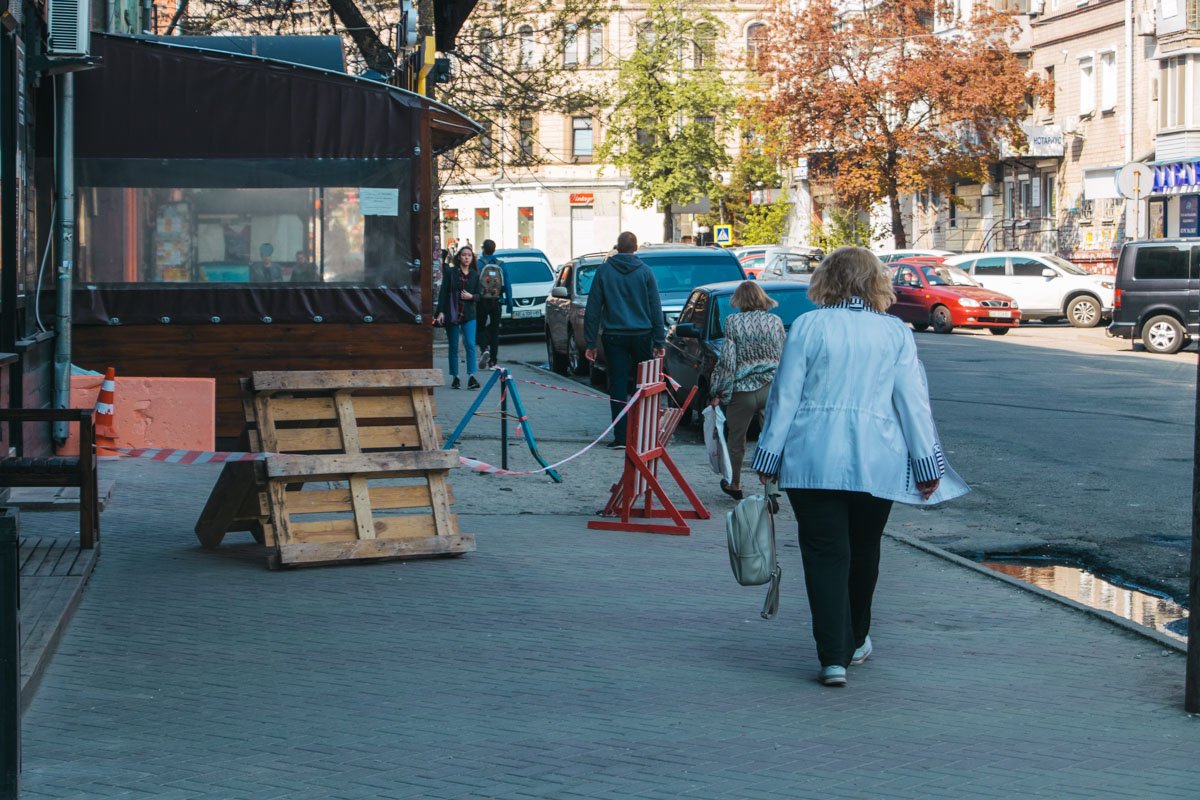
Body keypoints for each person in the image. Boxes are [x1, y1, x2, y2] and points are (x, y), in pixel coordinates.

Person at [752, 246, 968, 688]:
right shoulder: (895, 333)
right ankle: (856, 639)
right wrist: (928, 465)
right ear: (877, 283)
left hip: (811, 458)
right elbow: (913, 403)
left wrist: (768, 456)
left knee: (824, 554)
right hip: (878, 461)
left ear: (825, 281)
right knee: (864, 551)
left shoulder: (809, 326)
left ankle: (834, 657)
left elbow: (784, 397)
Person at [583, 231, 665, 449]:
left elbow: (593, 308)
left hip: (614, 335)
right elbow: (655, 308)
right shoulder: (646, 272)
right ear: (635, 248)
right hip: (642, 335)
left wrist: (590, 343)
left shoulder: (604, 271)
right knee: (643, 385)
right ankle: (642, 436)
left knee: (617, 384)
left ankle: (621, 437)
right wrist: (659, 341)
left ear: (617, 248)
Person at [708, 281, 785, 501]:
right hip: (771, 386)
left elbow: (728, 361)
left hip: (742, 390)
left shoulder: (732, 322)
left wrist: (718, 391)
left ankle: (735, 484)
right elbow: (782, 355)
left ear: (739, 300)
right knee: (772, 435)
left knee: (736, 439)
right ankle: (772, 486)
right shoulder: (775, 321)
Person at [435, 246, 482, 390]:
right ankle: (455, 377)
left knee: (470, 344)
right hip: (452, 313)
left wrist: (471, 296)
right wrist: (440, 312)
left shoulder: (475, 274)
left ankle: (472, 377)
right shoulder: (451, 272)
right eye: (464, 255)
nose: (467, 257)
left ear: (472, 258)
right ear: (459, 257)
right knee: (454, 347)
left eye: (469, 255)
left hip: (469, 314)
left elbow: (480, 295)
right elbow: (443, 292)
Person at [475, 240, 513, 370]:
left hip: (481, 301)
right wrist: (509, 303)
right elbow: (507, 284)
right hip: (497, 301)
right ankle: (493, 362)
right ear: (494, 249)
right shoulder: (501, 264)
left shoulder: (478, 264)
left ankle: (484, 348)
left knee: (480, 327)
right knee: (495, 331)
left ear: (483, 249)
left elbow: (474, 282)